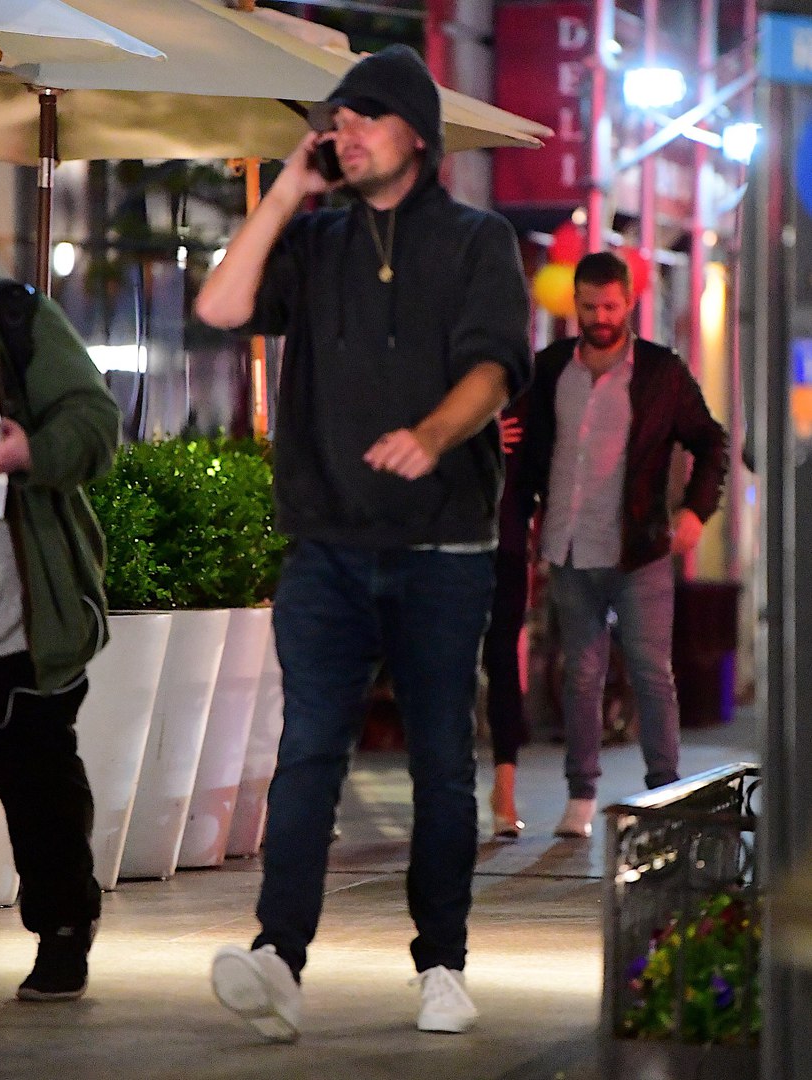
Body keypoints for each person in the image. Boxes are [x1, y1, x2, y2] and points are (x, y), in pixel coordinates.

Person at [195, 44, 531, 1039]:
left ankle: (443, 964)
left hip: (442, 548)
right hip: (326, 545)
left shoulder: (475, 241)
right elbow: (220, 307)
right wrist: (285, 194)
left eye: (362, 119)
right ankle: (277, 957)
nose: (343, 134)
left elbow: (494, 370)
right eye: (333, 123)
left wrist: (431, 435)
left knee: (441, 763)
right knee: (307, 752)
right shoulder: (315, 241)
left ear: (415, 135)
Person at [519, 251, 728, 839]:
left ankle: (666, 792)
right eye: (590, 307)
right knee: (580, 676)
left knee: (650, 673)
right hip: (568, 545)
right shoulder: (551, 368)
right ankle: (580, 797)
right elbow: (529, 446)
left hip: (639, 549)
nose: (600, 318)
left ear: (629, 303)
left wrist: (696, 511)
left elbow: (711, 441)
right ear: (575, 306)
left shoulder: (661, 372)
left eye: (610, 306)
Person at [0, 276, 120, 1000]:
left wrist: (29, 451)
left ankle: (64, 928)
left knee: (41, 791)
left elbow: (94, 422)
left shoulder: (13, 318)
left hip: (18, 625)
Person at [482, 397, 531, 839]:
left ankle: (505, 790)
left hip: (507, 545)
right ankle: (442, 790)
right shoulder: (437, 379)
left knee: (502, 661)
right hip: (446, 544)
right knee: (442, 668)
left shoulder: (523, 393)